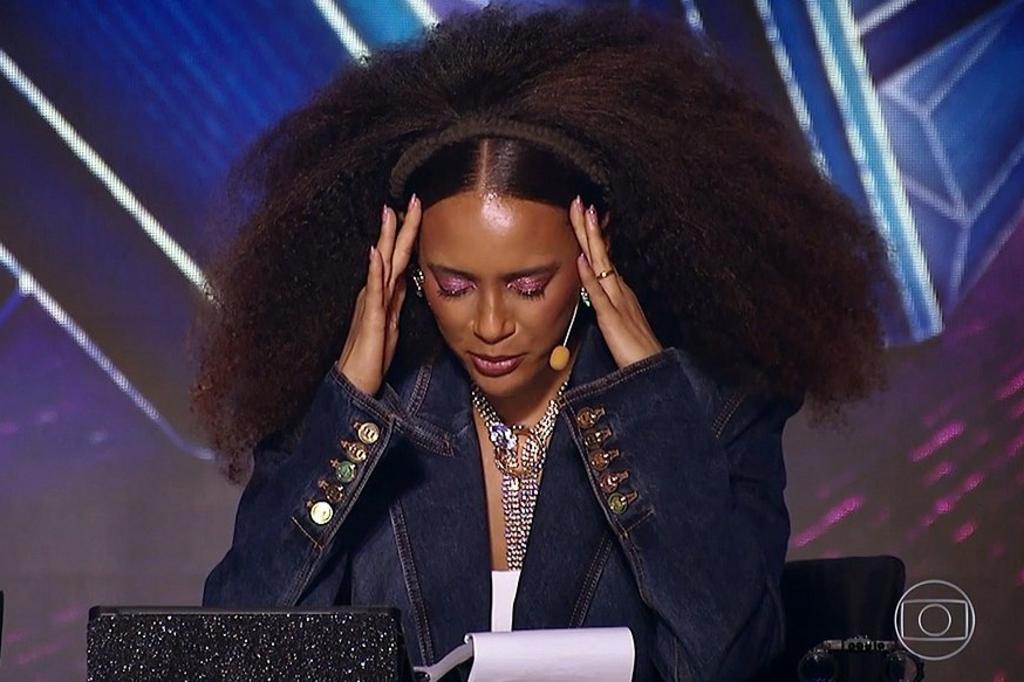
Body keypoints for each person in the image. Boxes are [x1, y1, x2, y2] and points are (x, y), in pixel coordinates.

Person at [190, 4, 892, 680]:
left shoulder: (712, 412)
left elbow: (724, 660)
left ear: (593, 249)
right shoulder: (357, 423)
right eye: (454, 285)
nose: (491, 323)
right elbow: (239, 655)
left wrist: (649, 405)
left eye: (528, 286)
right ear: (408, 267)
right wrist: (347, 402)